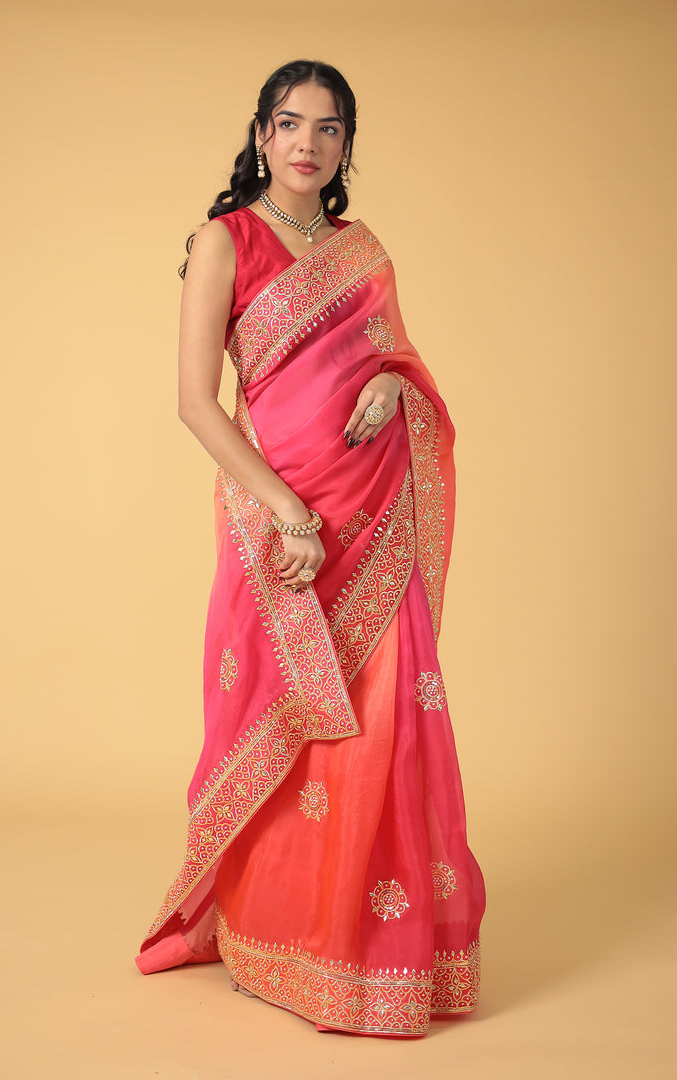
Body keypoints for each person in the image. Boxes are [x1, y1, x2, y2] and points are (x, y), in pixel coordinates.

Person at [135, 59, 486, 1038]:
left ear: (344, 148)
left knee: (384, 726)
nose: (305, 143)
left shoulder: (363, 248)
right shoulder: (225, 241)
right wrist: (287, 511)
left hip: (376, 512)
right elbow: (196, 403)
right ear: (260, 135)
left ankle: (371, 954)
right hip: (276, 523)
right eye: (288, 124)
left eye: (326, 130)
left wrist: (396, 385)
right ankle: (273, 938)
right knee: (283, 726)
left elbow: (396, 357)